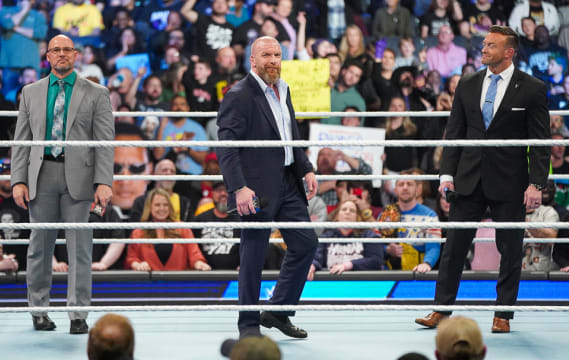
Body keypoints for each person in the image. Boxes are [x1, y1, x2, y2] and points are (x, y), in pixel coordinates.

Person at [415, 26, 550, 333]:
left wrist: (536, 183)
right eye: (484, 44)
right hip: (468, 177)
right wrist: (446, 174)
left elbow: (540, 140)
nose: (484, 49)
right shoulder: (468, 82)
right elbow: (455, 132)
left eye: (491, 45)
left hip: (510, 181)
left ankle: (503, 314)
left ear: (509, 52)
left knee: (511, 248)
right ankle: (441, 309)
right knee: (454, 248)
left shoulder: (531, 88)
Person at [11, 34, 114, 334]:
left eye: (67, 50)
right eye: (55, 50)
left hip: (79, 177)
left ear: (76, 54)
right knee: (39, 247)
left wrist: (103, 182)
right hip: (40, 175)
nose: (61, 55)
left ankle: (78, 313)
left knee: (80, 248)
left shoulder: (96, 92)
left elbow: (104, 142)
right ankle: (38, 311)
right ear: (47, 56)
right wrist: (18, 179)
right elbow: (22, 141)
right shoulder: (30, 92)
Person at [217, 36, 319, 339]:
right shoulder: (239, 95)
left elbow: (291, 134)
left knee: (305, 244)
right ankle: (248, 325)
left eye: (277, 55)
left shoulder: (283, 89)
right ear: (252, 60)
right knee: (253, 255)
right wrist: (239, 188)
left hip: (288, 182)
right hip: (256, 189)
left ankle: (278, 310)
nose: (273, 60)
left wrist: (307, 168)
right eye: (266, 55)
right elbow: (227, 147)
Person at [125, 188, 211, 271]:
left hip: (177, 283)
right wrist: (138, 264)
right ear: (149, 207)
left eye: (165, 205)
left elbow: (194, 254)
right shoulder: (139, 232)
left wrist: (199, 263)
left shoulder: (182, 228)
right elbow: (131, 258)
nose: (162, 208)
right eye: (157, 205)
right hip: (149, 283)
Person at [308, 200, 383, 279]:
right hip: (333, 283)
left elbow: (376, 261)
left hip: (361, 283)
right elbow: (316, 257)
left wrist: (349, 265)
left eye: (352, 211)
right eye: (344, 209)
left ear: (357, 217)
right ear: (337, 216)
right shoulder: (326, 237)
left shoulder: (368, 235)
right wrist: (312, 266)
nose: (347, 212)